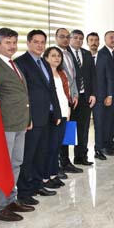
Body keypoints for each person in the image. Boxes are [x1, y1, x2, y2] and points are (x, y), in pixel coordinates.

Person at [0, 28, 35, 221]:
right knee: (2, 167)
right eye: (7, 42)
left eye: (14, 42)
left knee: (16, 163)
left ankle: (10, 200)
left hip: (19, 123)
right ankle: (0, 207)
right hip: (5, 126)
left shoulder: (12, 63)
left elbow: (22, 95)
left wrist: (28, 119)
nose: (12, 46)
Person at [14, 30, 61, 200]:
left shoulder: (45, 63)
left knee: (42, 153)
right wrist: (27, 117)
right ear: (28, 43)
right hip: (32, 118)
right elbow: (22, 93)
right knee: (28, 155)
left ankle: (37, 184)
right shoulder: (21, 63)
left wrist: (57, 112)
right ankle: (24, 191)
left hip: (47, 116)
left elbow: (51, 89)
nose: (40, 45)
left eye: (42, 42)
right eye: (36, 42)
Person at [42, 46, 71, 190]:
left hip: (64, 112)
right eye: (53, 55)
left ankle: (54, 175)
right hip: (53, 115)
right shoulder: (44, 74)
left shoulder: (61, 73)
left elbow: (65, 93)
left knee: (58, 146)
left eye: (59, 56)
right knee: (50, 147)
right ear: (46, 58)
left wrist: (68, 109)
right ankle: (45, 177)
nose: (57, 58)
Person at [94, 30, 114, 160]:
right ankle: (102, 147)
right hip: (107, 95)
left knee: (113, 121)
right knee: (105, 122)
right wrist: (109, 95)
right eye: (111, 37)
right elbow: (103, 76)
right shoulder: (102, 54)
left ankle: (110, 143)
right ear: (105, 39)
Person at [68, 29, 96, 166]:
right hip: (70, 99)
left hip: (85, 97)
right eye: (75, 38)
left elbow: (93, 75)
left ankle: (81, 156)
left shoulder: (87, 54)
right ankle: (65, 159)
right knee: (69, 129)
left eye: (80, 38)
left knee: (83, 128)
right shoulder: (65, 53)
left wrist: (93, 94)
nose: (78, 40)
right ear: (70, 38)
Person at [55, 28, 81, 173]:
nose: (65, 39)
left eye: (67, 37)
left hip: (72, 99)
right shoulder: (54, 54)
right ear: (56, 38)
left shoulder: (69, 54)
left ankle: (66, 162)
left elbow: (73, 77)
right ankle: (58, 163)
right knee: (59, 133)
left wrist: (75, 94)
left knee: (69, 131)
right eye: (62, 36)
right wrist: (66, 97)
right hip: (61, 99)